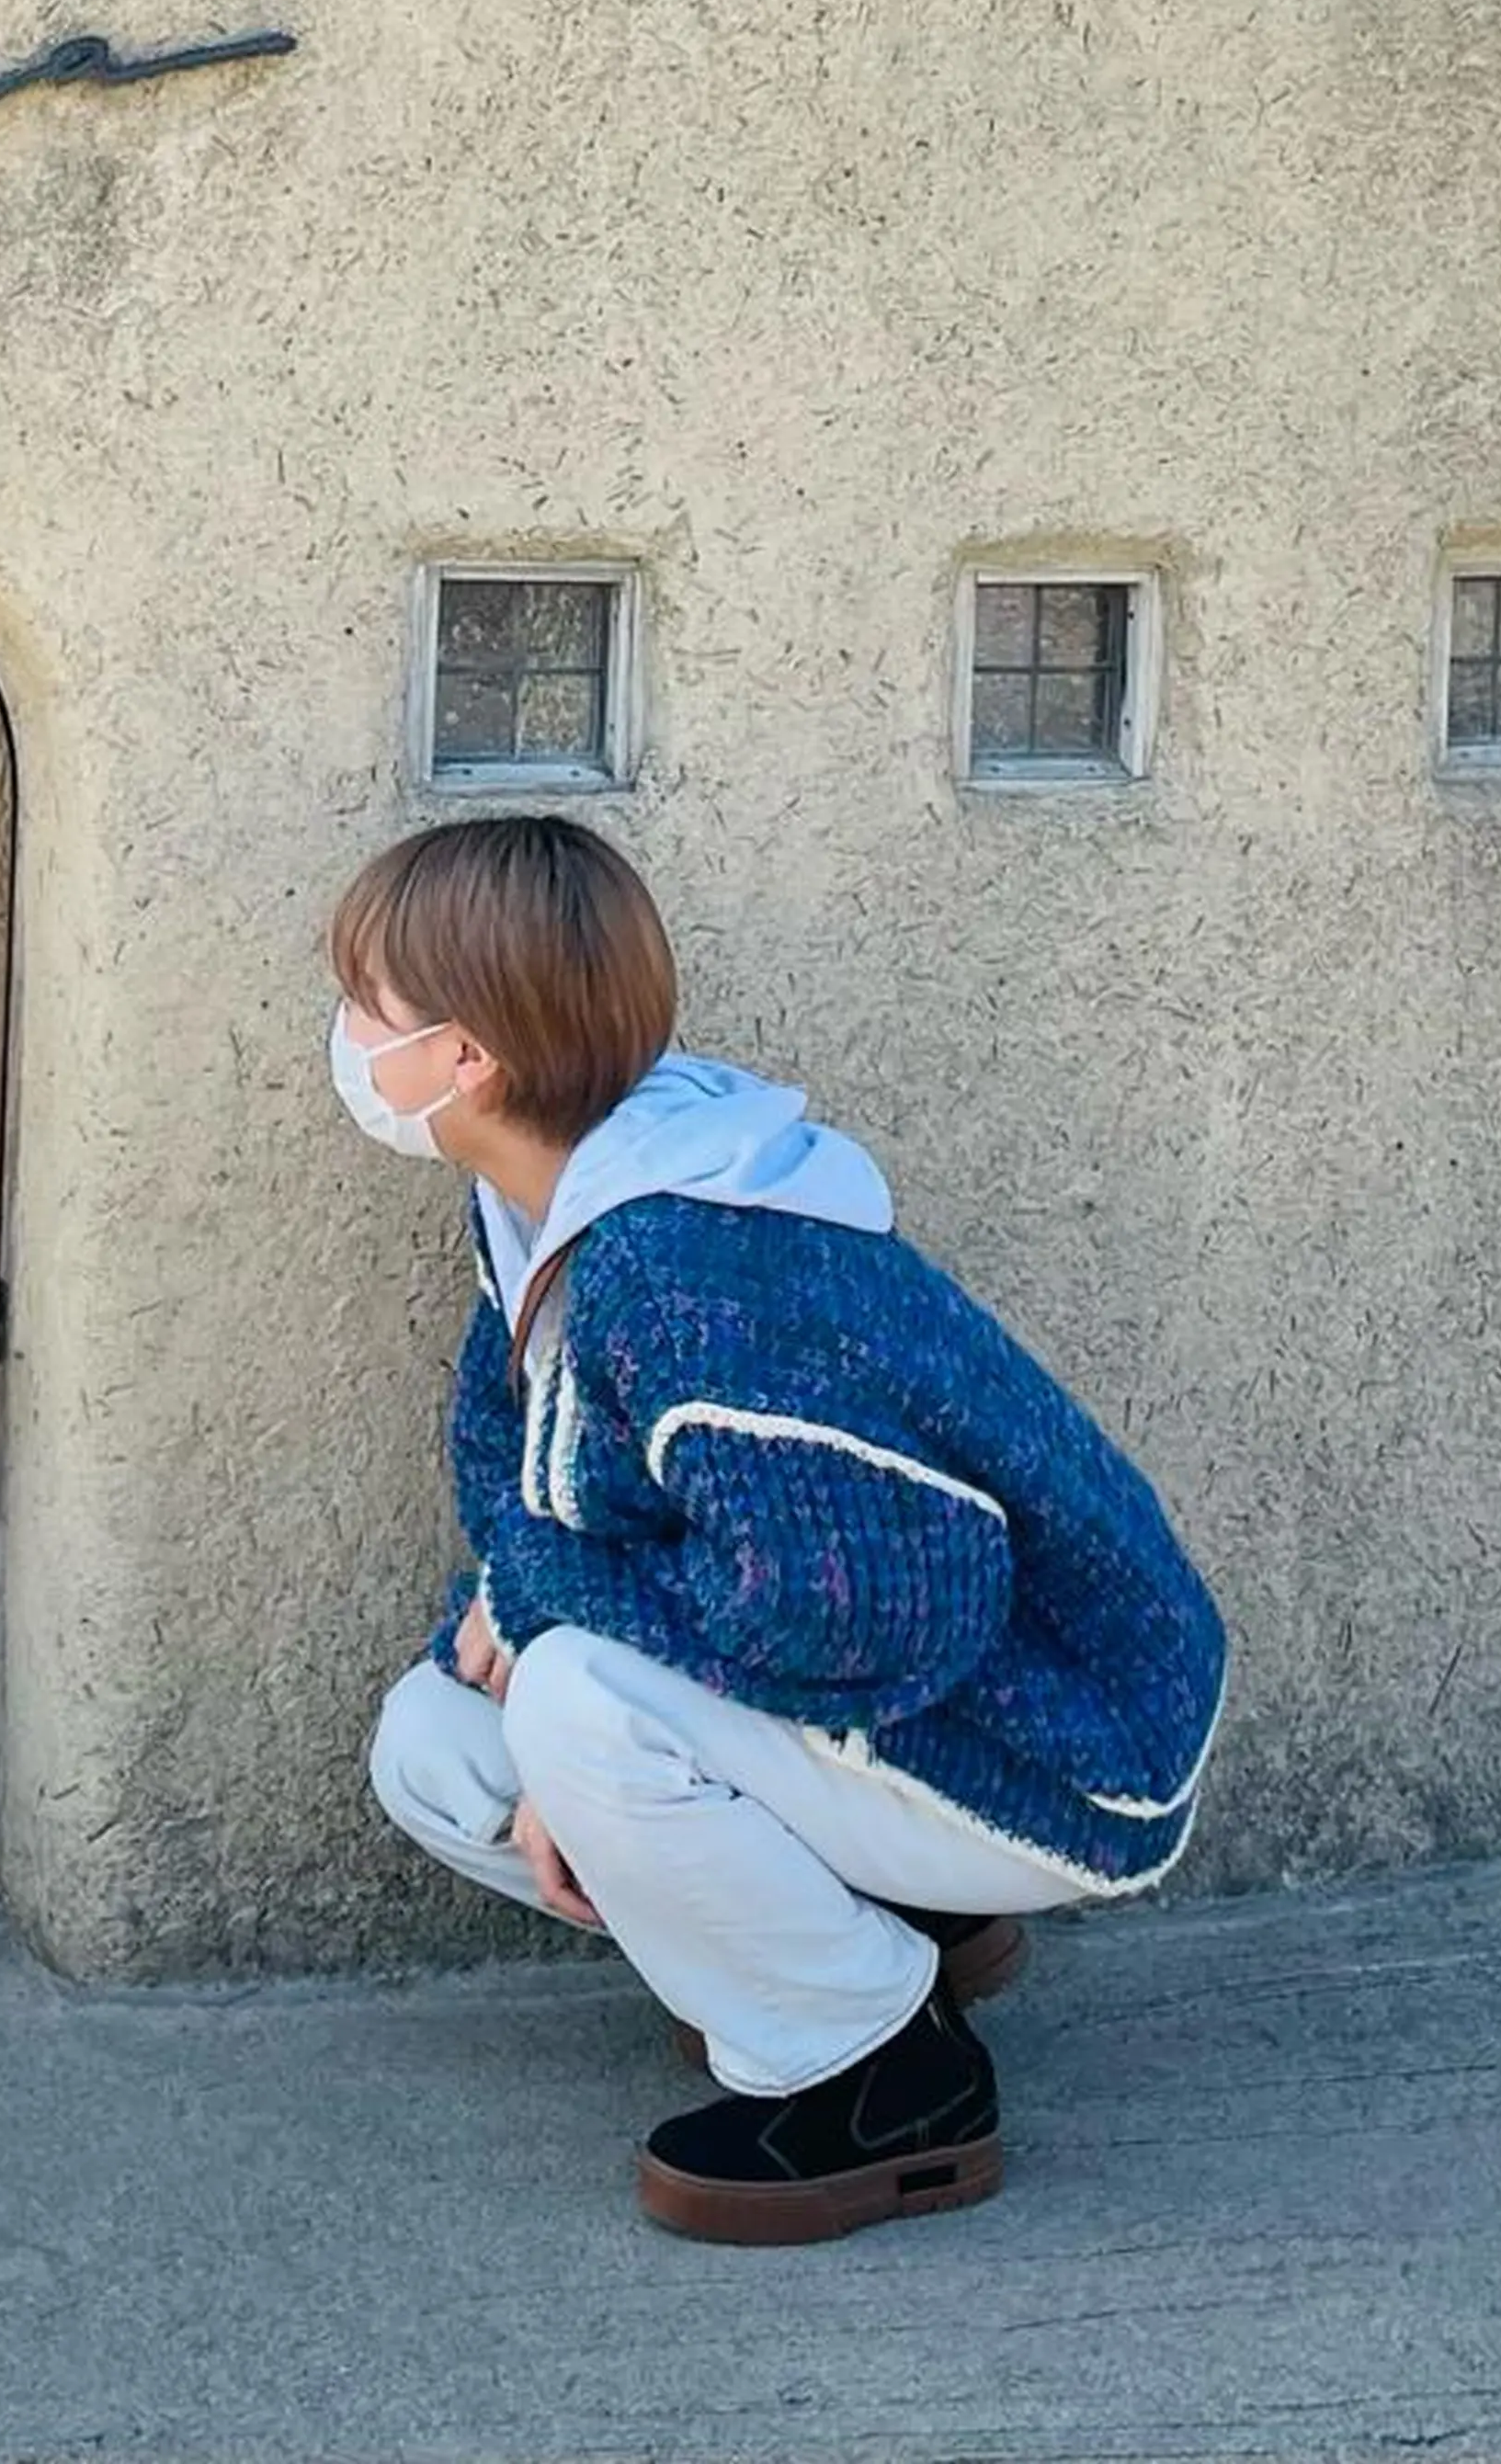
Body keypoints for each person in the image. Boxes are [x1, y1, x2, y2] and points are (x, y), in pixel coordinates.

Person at [339, 812, 1228, 2245]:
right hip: (900, 1714)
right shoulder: (542, 1216)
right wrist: (529, 1609)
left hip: (1066, 1753)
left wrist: (562, 1644)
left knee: (572, 1697)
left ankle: (887, 2073)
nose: (343, 1034)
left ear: (466, 1059)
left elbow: (866, 1608)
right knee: (438, 1746)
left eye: (365, 1006)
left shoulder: (680, 1263)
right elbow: (532, 1499)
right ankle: (885, 1942)